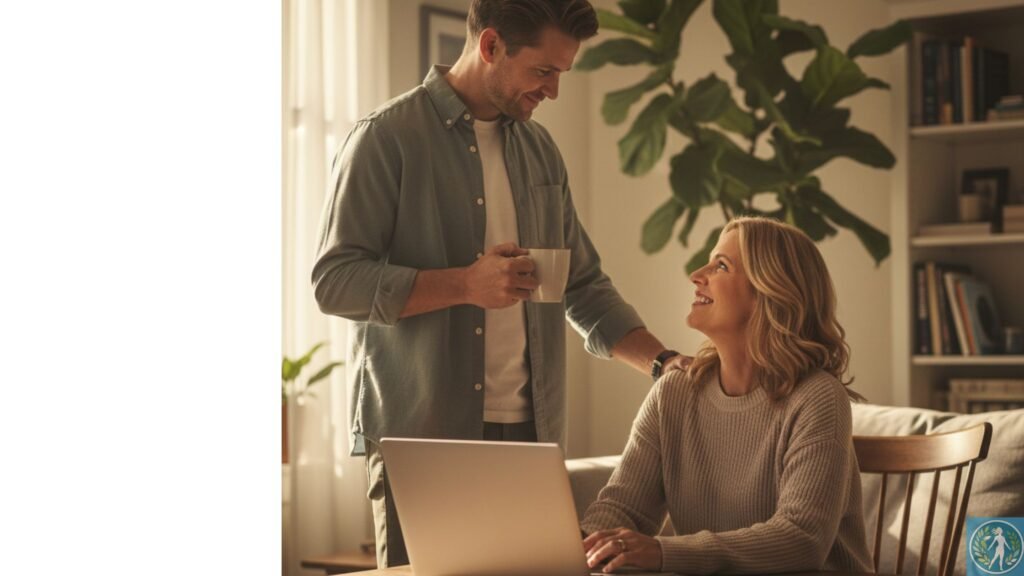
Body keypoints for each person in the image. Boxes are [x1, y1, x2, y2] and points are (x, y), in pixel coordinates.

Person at [311, 0, 686, 567]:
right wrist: (465, 284)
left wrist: (664, 364)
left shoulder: (541, 151)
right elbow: (335, 282)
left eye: (561, 73)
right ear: (490, 46)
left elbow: (583, 286)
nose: (553, 91)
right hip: (422, 443)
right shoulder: (385, 137)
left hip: (531, 439)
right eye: (544, 71)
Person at [580, 217, 873, 575]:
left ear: (769, 293)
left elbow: (801, 538)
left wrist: (662, 551)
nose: (696, 276)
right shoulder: (673, 392)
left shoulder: (817, 398)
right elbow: (623, 508)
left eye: (720, 266)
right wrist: (581, 545)